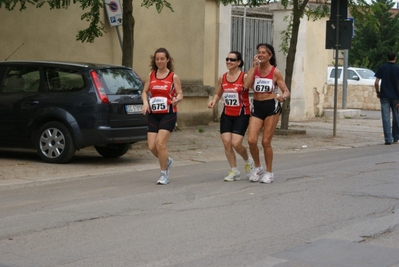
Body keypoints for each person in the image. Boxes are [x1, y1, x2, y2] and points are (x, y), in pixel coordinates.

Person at [243, 43, 290, 184]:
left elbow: (286, 90)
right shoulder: (254, 71)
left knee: (265, 142)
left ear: (270, 55)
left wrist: (284, 96)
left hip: (271, 107)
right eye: (259, 52)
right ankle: (258, 167)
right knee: (251, 140)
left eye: (264, 52)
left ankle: (269, 172)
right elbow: (245, 86)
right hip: (257, 106)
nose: (261, 55)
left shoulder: (275, 72)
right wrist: (253, 67)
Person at [208, 51, 254, 182]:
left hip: (242, 114)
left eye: (232, 60)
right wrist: (214, 101)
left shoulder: (244, 77)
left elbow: (251, 85)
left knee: (236, 143)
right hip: (227, 114)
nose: (229, 62)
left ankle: (248, 161)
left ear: (239, 62)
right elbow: (218, 92)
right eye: (227, 59)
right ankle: (234, 170)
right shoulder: (222, 77)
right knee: (227, 143)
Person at [141, 48, 183, 185]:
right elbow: (144, 92)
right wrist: (145, 103)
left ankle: (164, 174)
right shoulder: (151, 75)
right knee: (152, 147)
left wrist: (177, 99)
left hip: (168, 114)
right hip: (153, 114)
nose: (159, 61)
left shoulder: (173, 77)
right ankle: (167, 160)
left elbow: (180, 93)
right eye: (157, 59)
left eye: (162, 59)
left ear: (167, 60)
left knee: (160, 143)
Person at [374, 51, 399, 145]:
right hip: (396, 96)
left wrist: (378, 92)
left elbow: (376, 82)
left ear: (387, 58)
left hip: (384, 95)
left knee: (386, 117)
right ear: (395, 58)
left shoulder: (382, 67)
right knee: (396, 116)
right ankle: (396, 136)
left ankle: (388, 139)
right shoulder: (397, 68)